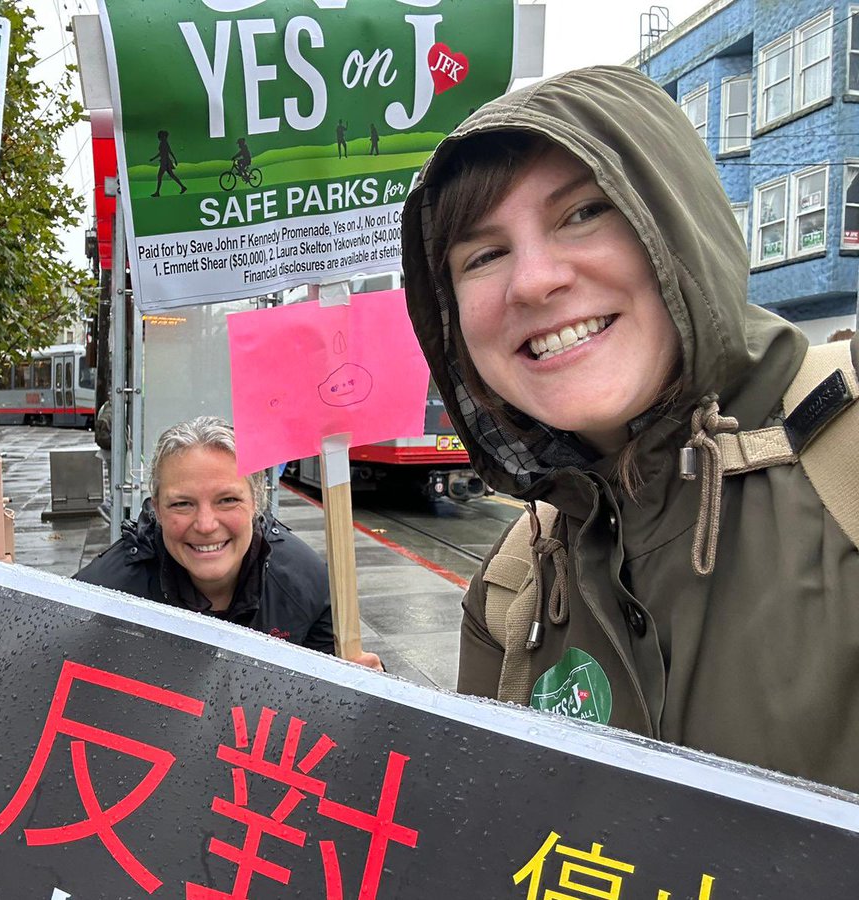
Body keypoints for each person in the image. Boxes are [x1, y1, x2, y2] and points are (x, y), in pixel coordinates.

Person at [400, 66, 859, 791]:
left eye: (582, 212)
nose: (533, 281)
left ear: (681, 223)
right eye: (483, 256)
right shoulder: (512, 587)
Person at [76, 416, 382, 670]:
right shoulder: (99, 597)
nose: (206, 525)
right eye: (182, 504)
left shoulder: (309, 586)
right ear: (156, 507)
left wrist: (367, 691)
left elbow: (336, 720)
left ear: (257, 502)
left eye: (228, 500)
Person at [150, 130, 187, 197]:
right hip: (166, 161)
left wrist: (175, 159)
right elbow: (164, 152)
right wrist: (153, 158)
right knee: (172, 175)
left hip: (165, 162)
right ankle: (182, 187)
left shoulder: (163, 143)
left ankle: (157, 192)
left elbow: (167, 152)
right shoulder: (164, 143)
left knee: (160, 176)